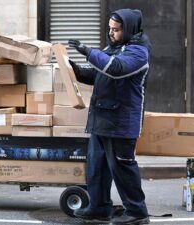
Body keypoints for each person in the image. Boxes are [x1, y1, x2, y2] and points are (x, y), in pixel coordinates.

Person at [68, 8, 152, 225]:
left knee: (122, 168)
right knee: (97, 167)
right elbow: (97, 75)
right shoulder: (112, 48)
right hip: (102, 118)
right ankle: (99, 207)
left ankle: (137, 212)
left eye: (116, 30)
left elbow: (115, 69)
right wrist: (74, 69)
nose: (111, 34)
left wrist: (86, 51)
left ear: (129, 28)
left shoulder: (138, 52)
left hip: (121, 122)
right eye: (110, 29)